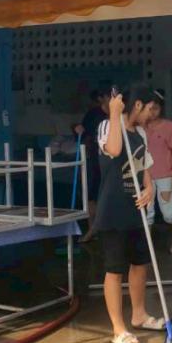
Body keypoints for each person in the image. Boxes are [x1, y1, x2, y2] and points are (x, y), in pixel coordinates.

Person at [95, 84, 165, 343]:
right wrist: (114, 114)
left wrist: (149, 187)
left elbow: (144, 165)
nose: (152, 115)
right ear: (137, 105)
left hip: (136, 209)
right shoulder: (107, 126)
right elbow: (114, 149)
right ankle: (119, 329)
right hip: (113, 209)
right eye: (150, 109)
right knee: (115, 270)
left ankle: (139, 315)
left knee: (139, 264)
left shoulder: (141, 133)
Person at [144, 89, 172, 254]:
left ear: (161, 108)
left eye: (156, 108)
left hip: (165, 175)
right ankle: (146, 245)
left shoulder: (169, 126)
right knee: (147, 213)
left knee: (169, 213)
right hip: (146, 176)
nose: (152, 112)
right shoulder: (140, 126)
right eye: (150, 109)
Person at [75, 89, 109, 243]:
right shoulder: (93, 114)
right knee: (91, 195)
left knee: (108, 194)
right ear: (102, 98)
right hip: (95, 160)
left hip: (113, 162)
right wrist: (78, 130)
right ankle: (92, 229)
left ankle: (107, 228)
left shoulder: (119, 115)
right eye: (108, 97)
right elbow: (83, 133)